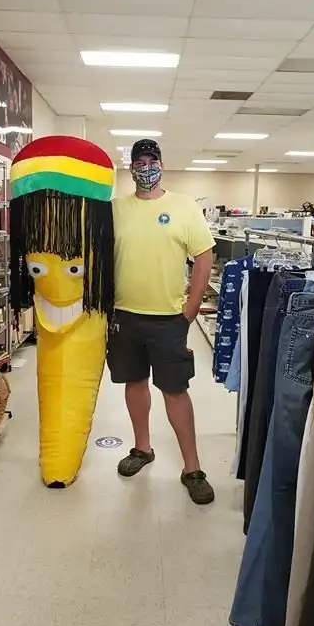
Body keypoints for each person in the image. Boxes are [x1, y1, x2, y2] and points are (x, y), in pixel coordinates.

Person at [108, 139, 215, 504]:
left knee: (175, 390)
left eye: (151, 161)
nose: (146, 168)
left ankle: (192, 468)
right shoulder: (116, 209)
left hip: (169, 319)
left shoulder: (183, 206)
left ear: (162, 165)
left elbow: (204, 255)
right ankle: (142, 448)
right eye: (139, 162)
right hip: (124, 315)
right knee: (134, 382)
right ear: (131, 168)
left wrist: (193, 305)